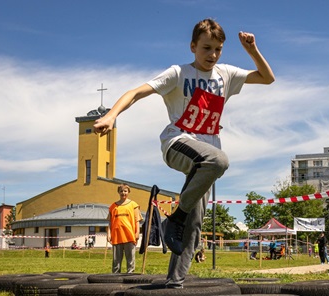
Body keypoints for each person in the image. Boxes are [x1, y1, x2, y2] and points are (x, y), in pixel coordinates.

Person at [93, 18, 274, 288]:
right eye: (206, 48)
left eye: (218, 49)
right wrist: (111, 115)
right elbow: (136, 92)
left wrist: (252, 51)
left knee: (195, 223)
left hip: (205, 162)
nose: (212, 55)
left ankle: (174, 282)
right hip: (178, 143)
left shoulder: (225, 75)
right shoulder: (178, 73)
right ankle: (175, 218)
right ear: (193, 46)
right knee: (219, 160)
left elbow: (267, 78)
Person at [107, 183, 143, 274]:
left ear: (128, 192)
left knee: (130, 258)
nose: (123, 193)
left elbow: (137, 220)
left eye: (125, 191)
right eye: (121, 191)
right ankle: (115, 277)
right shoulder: (113, 206)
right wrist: (109, 233)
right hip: (116, 236)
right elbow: (110, 221)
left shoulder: (133, 205)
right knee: (116, 260)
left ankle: (130, 275)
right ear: (118, 192)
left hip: (129, 235)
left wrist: (137, 232)